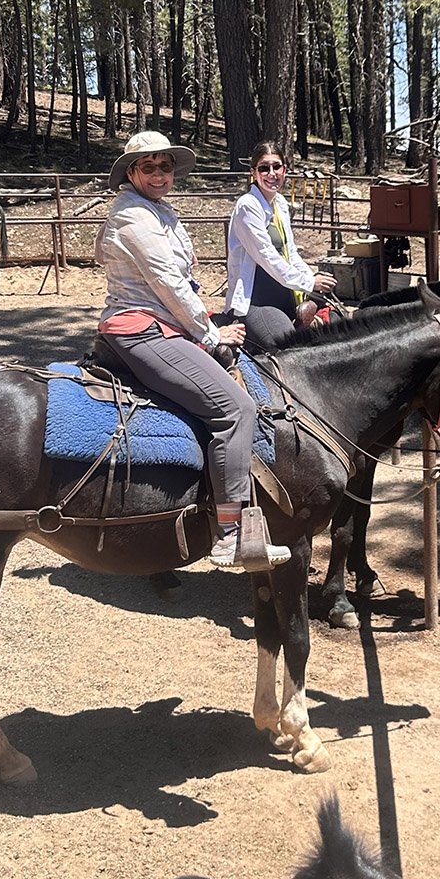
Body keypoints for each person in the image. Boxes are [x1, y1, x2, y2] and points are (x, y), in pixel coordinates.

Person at [94, 130, 290, 572]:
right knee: (236, 408)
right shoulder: (134, 218)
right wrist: (209, 334)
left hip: (161, 320)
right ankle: (229, 534)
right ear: (132, 172)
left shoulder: (153, 211)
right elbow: (167, 282)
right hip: (141, 329)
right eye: (150, 167)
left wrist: (203, 317)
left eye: (166, 166)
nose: (161, 174)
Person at [224, 140, 337, 350]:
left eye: (277, 166)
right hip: (256, 300)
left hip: (284, 292)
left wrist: (311, 277)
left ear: (285, 169)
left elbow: (290, 253)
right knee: (287, 348)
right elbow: (267, 257)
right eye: (264, 168)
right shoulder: (247, 206)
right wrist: (308, 283)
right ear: (253, 173)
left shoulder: (280, 204)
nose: (271, 173)